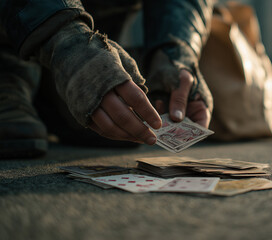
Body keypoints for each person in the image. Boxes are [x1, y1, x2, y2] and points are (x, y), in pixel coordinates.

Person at [0, 0, 214, 158]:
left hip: (96, 27)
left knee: (115, 125)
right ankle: (10, 71)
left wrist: (176, 52)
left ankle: (54, 89)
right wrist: (65, 39)